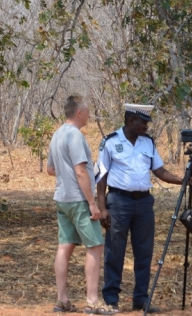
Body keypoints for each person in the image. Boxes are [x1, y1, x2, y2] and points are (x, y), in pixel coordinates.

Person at [95, 104, 184, 313]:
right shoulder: (111, 142)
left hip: (144, 203)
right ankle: (111, 298)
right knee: (114, 251)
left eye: (147, 122)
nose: (146, 126)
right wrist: (102, 208)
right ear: (130, 121)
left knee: (144, 252)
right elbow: (101, 177)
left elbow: (160, 171)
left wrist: (182, 180)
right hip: (118, 202)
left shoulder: (148, 143)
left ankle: (141, 299)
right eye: (142, 122)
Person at [47, 95, 118, 315]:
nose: (89, 115)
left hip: (62, 198)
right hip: (78, 200)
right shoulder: (75, 135)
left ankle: (62, 300)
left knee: (64, 246)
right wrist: (92, 203)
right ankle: (93, 301)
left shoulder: (57, 134)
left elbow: (51, 169)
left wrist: (66, 173)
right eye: (87, 111)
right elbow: (80, 170)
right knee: (95, 246)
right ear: (78, 113)